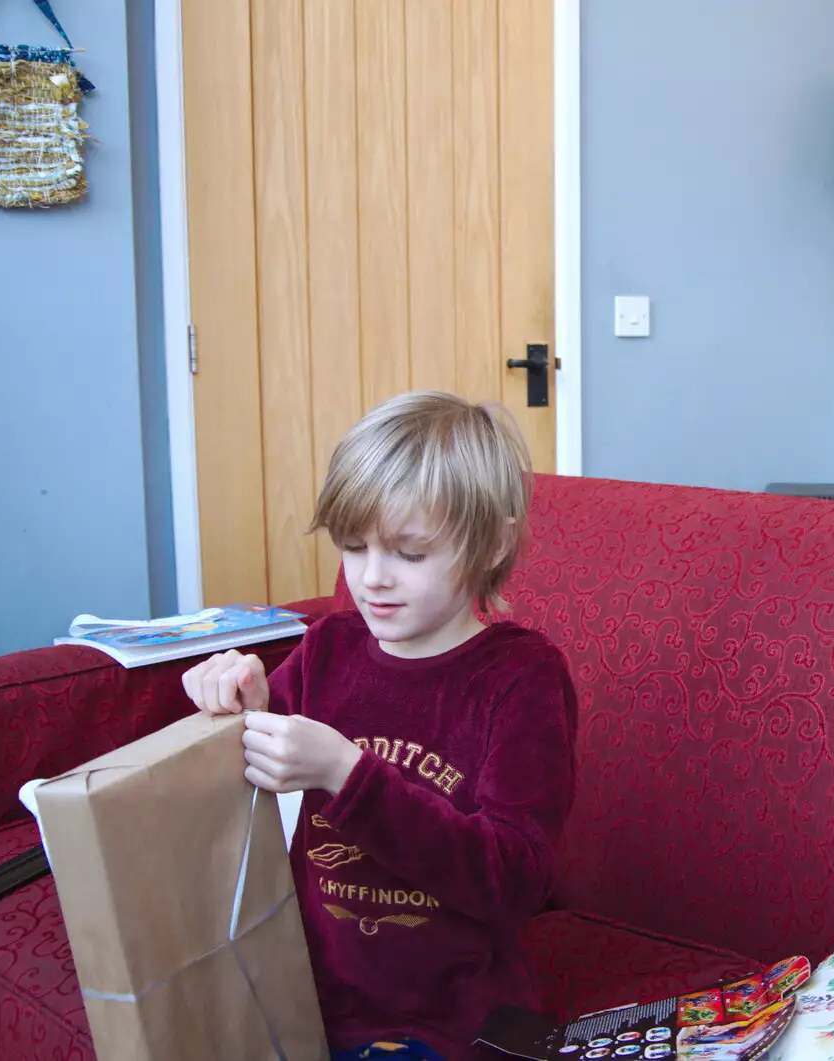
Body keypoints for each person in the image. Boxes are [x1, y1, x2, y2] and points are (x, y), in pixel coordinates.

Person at [183, 391, 578, 1061]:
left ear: (494, 542)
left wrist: (348, 775)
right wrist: (236, 705)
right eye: (354, 546)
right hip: (309, 1000)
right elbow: (241, 797)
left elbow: (515, 880)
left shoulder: (520, 677)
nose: (371, 578)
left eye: (410, 553)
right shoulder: (325, 650)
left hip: (455, 1024)